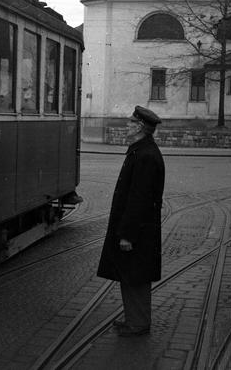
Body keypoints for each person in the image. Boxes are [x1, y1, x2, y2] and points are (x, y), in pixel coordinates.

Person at [97, 106, 165, 337]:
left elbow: (139, 200)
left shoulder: (145, 155)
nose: (126, 125)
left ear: (139, 128)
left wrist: (127, 234)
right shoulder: (140, 150)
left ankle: (138, 323)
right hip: (140, 229)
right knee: (131, 273)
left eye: (130, 123)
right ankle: (134, 319)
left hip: (138, 231)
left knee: (135, 275)